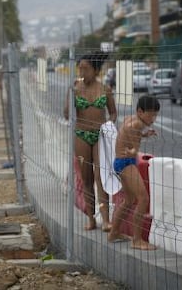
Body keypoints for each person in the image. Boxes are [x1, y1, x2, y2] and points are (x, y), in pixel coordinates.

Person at [64, 51, 117, 232]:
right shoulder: (76, 88)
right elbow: (66, 114)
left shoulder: (104, 89)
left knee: (101, 178)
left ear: (95, 70)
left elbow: (113, 112)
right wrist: (70, 93)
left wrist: (109, 126)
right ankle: (90, 218)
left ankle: (106, 219)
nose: (81, 72)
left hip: (100, 136)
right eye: (80, 68)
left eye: (85, 68)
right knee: (86, 179)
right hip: (81, 136)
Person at [108, 95, 159, 250]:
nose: (153, 119)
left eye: (155, 115)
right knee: (143, 198)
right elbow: (134, 150)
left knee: (129, 201)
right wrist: (133, 150)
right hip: (126, 163)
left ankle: (114, 233)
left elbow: (128, 134)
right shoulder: (137, 124)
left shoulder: (131, 119)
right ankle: (137, 240)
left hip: (120, 162)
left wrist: (144, 135)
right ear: (140, 111)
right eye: (150, 115)